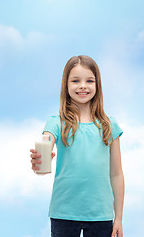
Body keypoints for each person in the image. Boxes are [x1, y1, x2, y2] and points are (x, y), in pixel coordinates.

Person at [30, 55, 124, 237]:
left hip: (101, 216)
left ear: (97, 85)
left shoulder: (109, 125)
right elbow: (45, 149)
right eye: (75, 80)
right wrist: (40, 162)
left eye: (89, 80)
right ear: (66, 85)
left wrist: (118, 217)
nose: (82, 86)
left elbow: (117, 173)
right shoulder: (55, 123)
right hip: (63, 213)